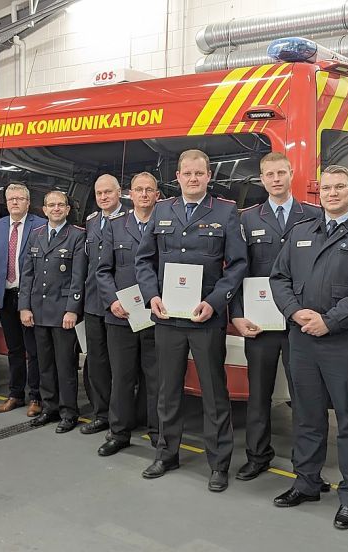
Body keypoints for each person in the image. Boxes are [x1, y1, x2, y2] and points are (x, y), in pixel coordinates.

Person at [268, 165, 348, 530]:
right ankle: (306, 482)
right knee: (307, 414)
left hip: (345, 342)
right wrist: (294, 311)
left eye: (340, 187)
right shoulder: (302, 231)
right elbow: (279, 277)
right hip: (302, 340)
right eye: (327, 188)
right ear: (320, 194)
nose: (332, 193)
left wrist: (329, 320)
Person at [134, 149, 247, 492]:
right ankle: (166, 454)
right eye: (187, 173)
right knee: (168, 390)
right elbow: (144, 259)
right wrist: (151, 294)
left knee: (214, 393)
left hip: (205, 318)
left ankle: (218, 464)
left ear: (209, 176)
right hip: (167, 317)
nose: (193, 179)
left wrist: (215, 303)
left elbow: (238, 264)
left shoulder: (226, 213)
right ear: (178, 177)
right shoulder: (162, 210)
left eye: (200, 173)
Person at [231, 151, 321, 482]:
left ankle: (306, 465)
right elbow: (238, 270)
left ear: (291, 173)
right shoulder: (247, 219)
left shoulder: (313, 215)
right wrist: (237, 314)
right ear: (262, 178)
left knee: (304, 398)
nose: (276, 179)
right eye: (269, 174)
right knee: (259, 394)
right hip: (260, 324)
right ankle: (257, 455)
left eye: (281, 172)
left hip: (300, 323)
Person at [95, 172, 161, 456]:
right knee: (121, 376)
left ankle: (159, 435)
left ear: (157, 195)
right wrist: (111, 302)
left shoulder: (166, 223)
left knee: (157, 379)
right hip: (121, 316)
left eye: (149, 190)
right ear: (130, 195)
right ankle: (118, 433)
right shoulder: (114, 226)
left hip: (156, 315)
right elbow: (102, 270)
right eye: (139, 190)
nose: (144, 194)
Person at [20, 190, 87, 433]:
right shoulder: (35, 235)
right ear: (44, 209)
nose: (56, 208)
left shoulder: (77, 236)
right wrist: (24, 306)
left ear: (68, 209)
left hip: (63, 314)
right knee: (44, 364)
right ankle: (50, 408)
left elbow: (78, 277)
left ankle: (69, 412)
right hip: (38, 311)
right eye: (51, 205)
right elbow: (27, 274)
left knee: (65, 365)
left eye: (61, 205)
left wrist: (72, 310)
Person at [0, 183, 46, 417]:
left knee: (34, 349)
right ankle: (16, 394)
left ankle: (36, 396)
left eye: (20, 199)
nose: (16, 203)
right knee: (14, 349)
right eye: (11, 199)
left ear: (28, 203)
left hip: (29, 297)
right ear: (6, 202)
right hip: (5, 296)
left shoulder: (39, 225)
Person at [80, 174, 123, 435]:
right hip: (94, 302)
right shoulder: (92, 222)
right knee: (96, 361)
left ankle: (122, 416)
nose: (104, 197)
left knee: (122, 365)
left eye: (108, 192)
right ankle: (101, 413)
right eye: (99, 193)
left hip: (120, 304)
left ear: (119, 193)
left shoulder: (130, 219)